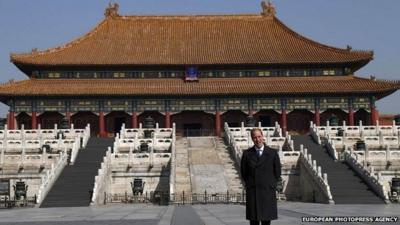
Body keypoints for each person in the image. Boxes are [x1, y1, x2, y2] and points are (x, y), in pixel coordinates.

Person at [240, 128, 282, 225]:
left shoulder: (272, 153)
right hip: (253, 192)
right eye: (255, 137)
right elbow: (244, 173)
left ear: (262, 137)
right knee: (253, 221)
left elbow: (277, 172)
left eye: (259, 137)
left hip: (267, 191)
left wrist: (270, 184)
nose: (257, 139)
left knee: (266, 221)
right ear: (252, 139)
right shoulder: (247, 154)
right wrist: (251, 184)